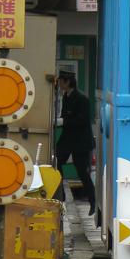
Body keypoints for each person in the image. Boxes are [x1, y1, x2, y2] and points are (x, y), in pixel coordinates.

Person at [56, 71, 96, 214]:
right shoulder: (66, 97)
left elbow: (83, 120)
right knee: (56, 162)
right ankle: (61, 195)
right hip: (68, 139)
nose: (59, 84)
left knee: (82, 172)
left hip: (81, 141)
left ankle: (93, 201)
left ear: (67, 82)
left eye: (61, 81)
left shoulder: (81, 99)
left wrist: (64, 121)